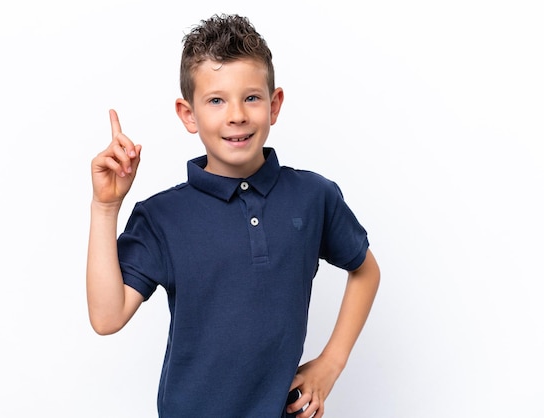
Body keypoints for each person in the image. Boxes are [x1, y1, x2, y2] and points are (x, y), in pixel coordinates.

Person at [86, 13, 380, 418]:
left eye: (252, 97)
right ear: (188, 114)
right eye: (216, 100)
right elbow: (106, 317)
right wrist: (105, 207)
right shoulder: (162, 217)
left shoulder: (314, 197)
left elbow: (366, 270)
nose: (237, 114)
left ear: (274, 105)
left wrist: (332, 362)